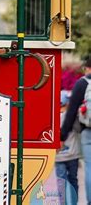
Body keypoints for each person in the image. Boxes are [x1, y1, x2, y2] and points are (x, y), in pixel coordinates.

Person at [61, 57, 91, 205]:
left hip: (87, 131)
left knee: (89, 167)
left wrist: (62, 135)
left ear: (87, 68)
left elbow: (71, 112)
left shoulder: (82, 83)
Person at [55, 90, 80, 204]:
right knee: (73, 179)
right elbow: (79, 129)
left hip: (58, 156)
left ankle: (63, 202)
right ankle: (74, 202)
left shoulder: (53, 117)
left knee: (61, 181)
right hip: (72, 154)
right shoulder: (72, 117)